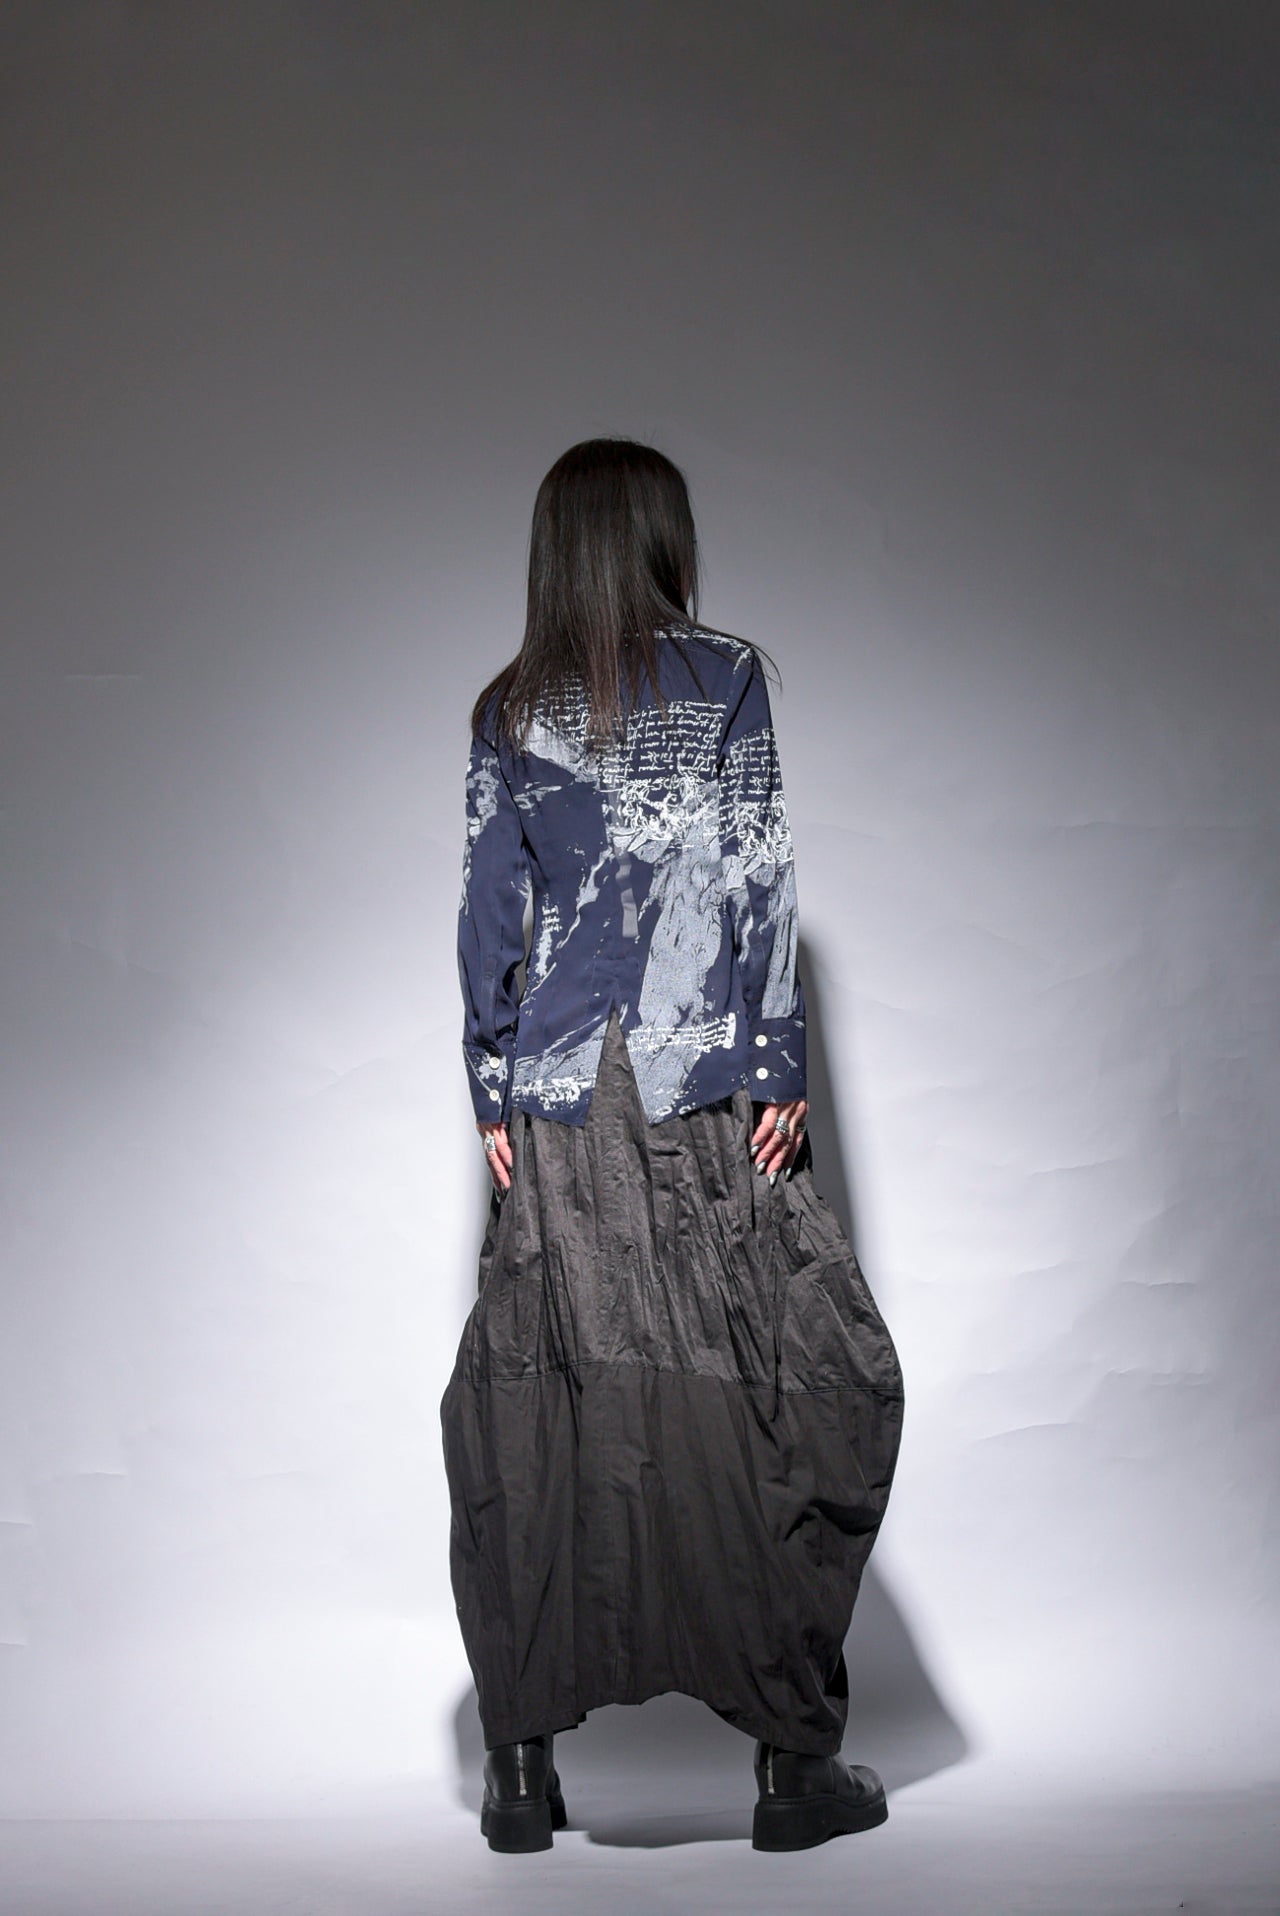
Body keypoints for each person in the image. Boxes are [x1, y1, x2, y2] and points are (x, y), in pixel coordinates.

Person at [439, 437, 905, 1854]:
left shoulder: (509, 707)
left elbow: (489, 912)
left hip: (560, 1097)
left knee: (541, 1404)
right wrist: (777, 1065)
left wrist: (493, 1087)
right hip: (702, 1080)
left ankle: (519, 1773)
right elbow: (759, 871)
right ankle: (790, 1763)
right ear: (658, 537)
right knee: (767, 1383)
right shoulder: (726, 676)